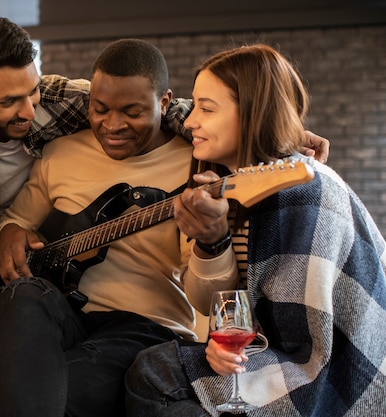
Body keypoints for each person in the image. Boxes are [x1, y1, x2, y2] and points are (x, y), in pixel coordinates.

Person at [0, 17, 330, 211]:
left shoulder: (65, 97)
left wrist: (274, 131)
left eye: (31, 91)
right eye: (8, 102)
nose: (29, 110)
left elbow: (166, 110)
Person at [124, 44, 386, 417]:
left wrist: (241, 346)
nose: (189, 121)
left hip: (344, 379)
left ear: (253, 114)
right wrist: (211, 243)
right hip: (277, 352)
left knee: (154, 373)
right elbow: (224, 305)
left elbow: (303, 341)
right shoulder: (227, 187)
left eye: (206, 108)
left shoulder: (303, 194)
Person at [0, 38, 221, 417]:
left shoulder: (194, 169)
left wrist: (209, 240)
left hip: (146, 328)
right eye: (100, 109)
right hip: (67, 316)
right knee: (21, 294)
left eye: (131, 111)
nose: (111, 125)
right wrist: (9, 232)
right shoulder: (61, 151)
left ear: (164, 103)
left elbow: (204, 296)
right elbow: (17, 217)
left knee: (50, 391)